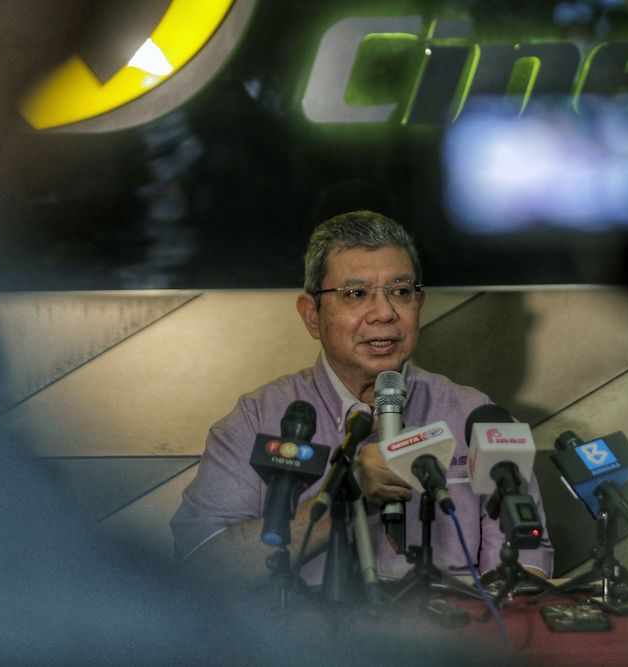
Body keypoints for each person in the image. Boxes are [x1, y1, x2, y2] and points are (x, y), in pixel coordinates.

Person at [170, 210, 553, 586]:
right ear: (311, 315)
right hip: (305, 645)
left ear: (419, 304)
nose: (384, 313)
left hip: (446, 643)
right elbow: (201, 567)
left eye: (401, 291)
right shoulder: (258, 419)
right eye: (356, 293)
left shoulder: (475, 416)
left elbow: (526, 563)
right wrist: (342, 502)